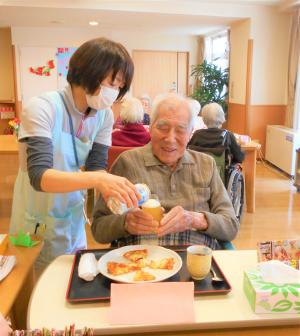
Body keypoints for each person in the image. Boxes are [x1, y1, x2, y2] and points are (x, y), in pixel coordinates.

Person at [10, 37, 140, 273]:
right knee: (34, 290)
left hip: (71, 216)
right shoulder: (43, 108)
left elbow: (95, 167)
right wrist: (99, 180)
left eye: (120, 86)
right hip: (35, 215)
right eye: (113, 82)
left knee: (70, 281)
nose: (115, 91)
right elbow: (40, 177)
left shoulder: (104, 116)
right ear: (90, 71)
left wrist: (113, 193)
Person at [92, 93, 239, 248]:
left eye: (181, 130)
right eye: (162, 127)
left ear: (190, 134)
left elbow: (231, 226)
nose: (170, 138)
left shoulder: (206, 165)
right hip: (139, 264)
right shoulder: (128, 162)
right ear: (149, 128)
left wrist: (196, 219)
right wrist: (125, 223)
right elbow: (98, 228)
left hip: (195, 262)